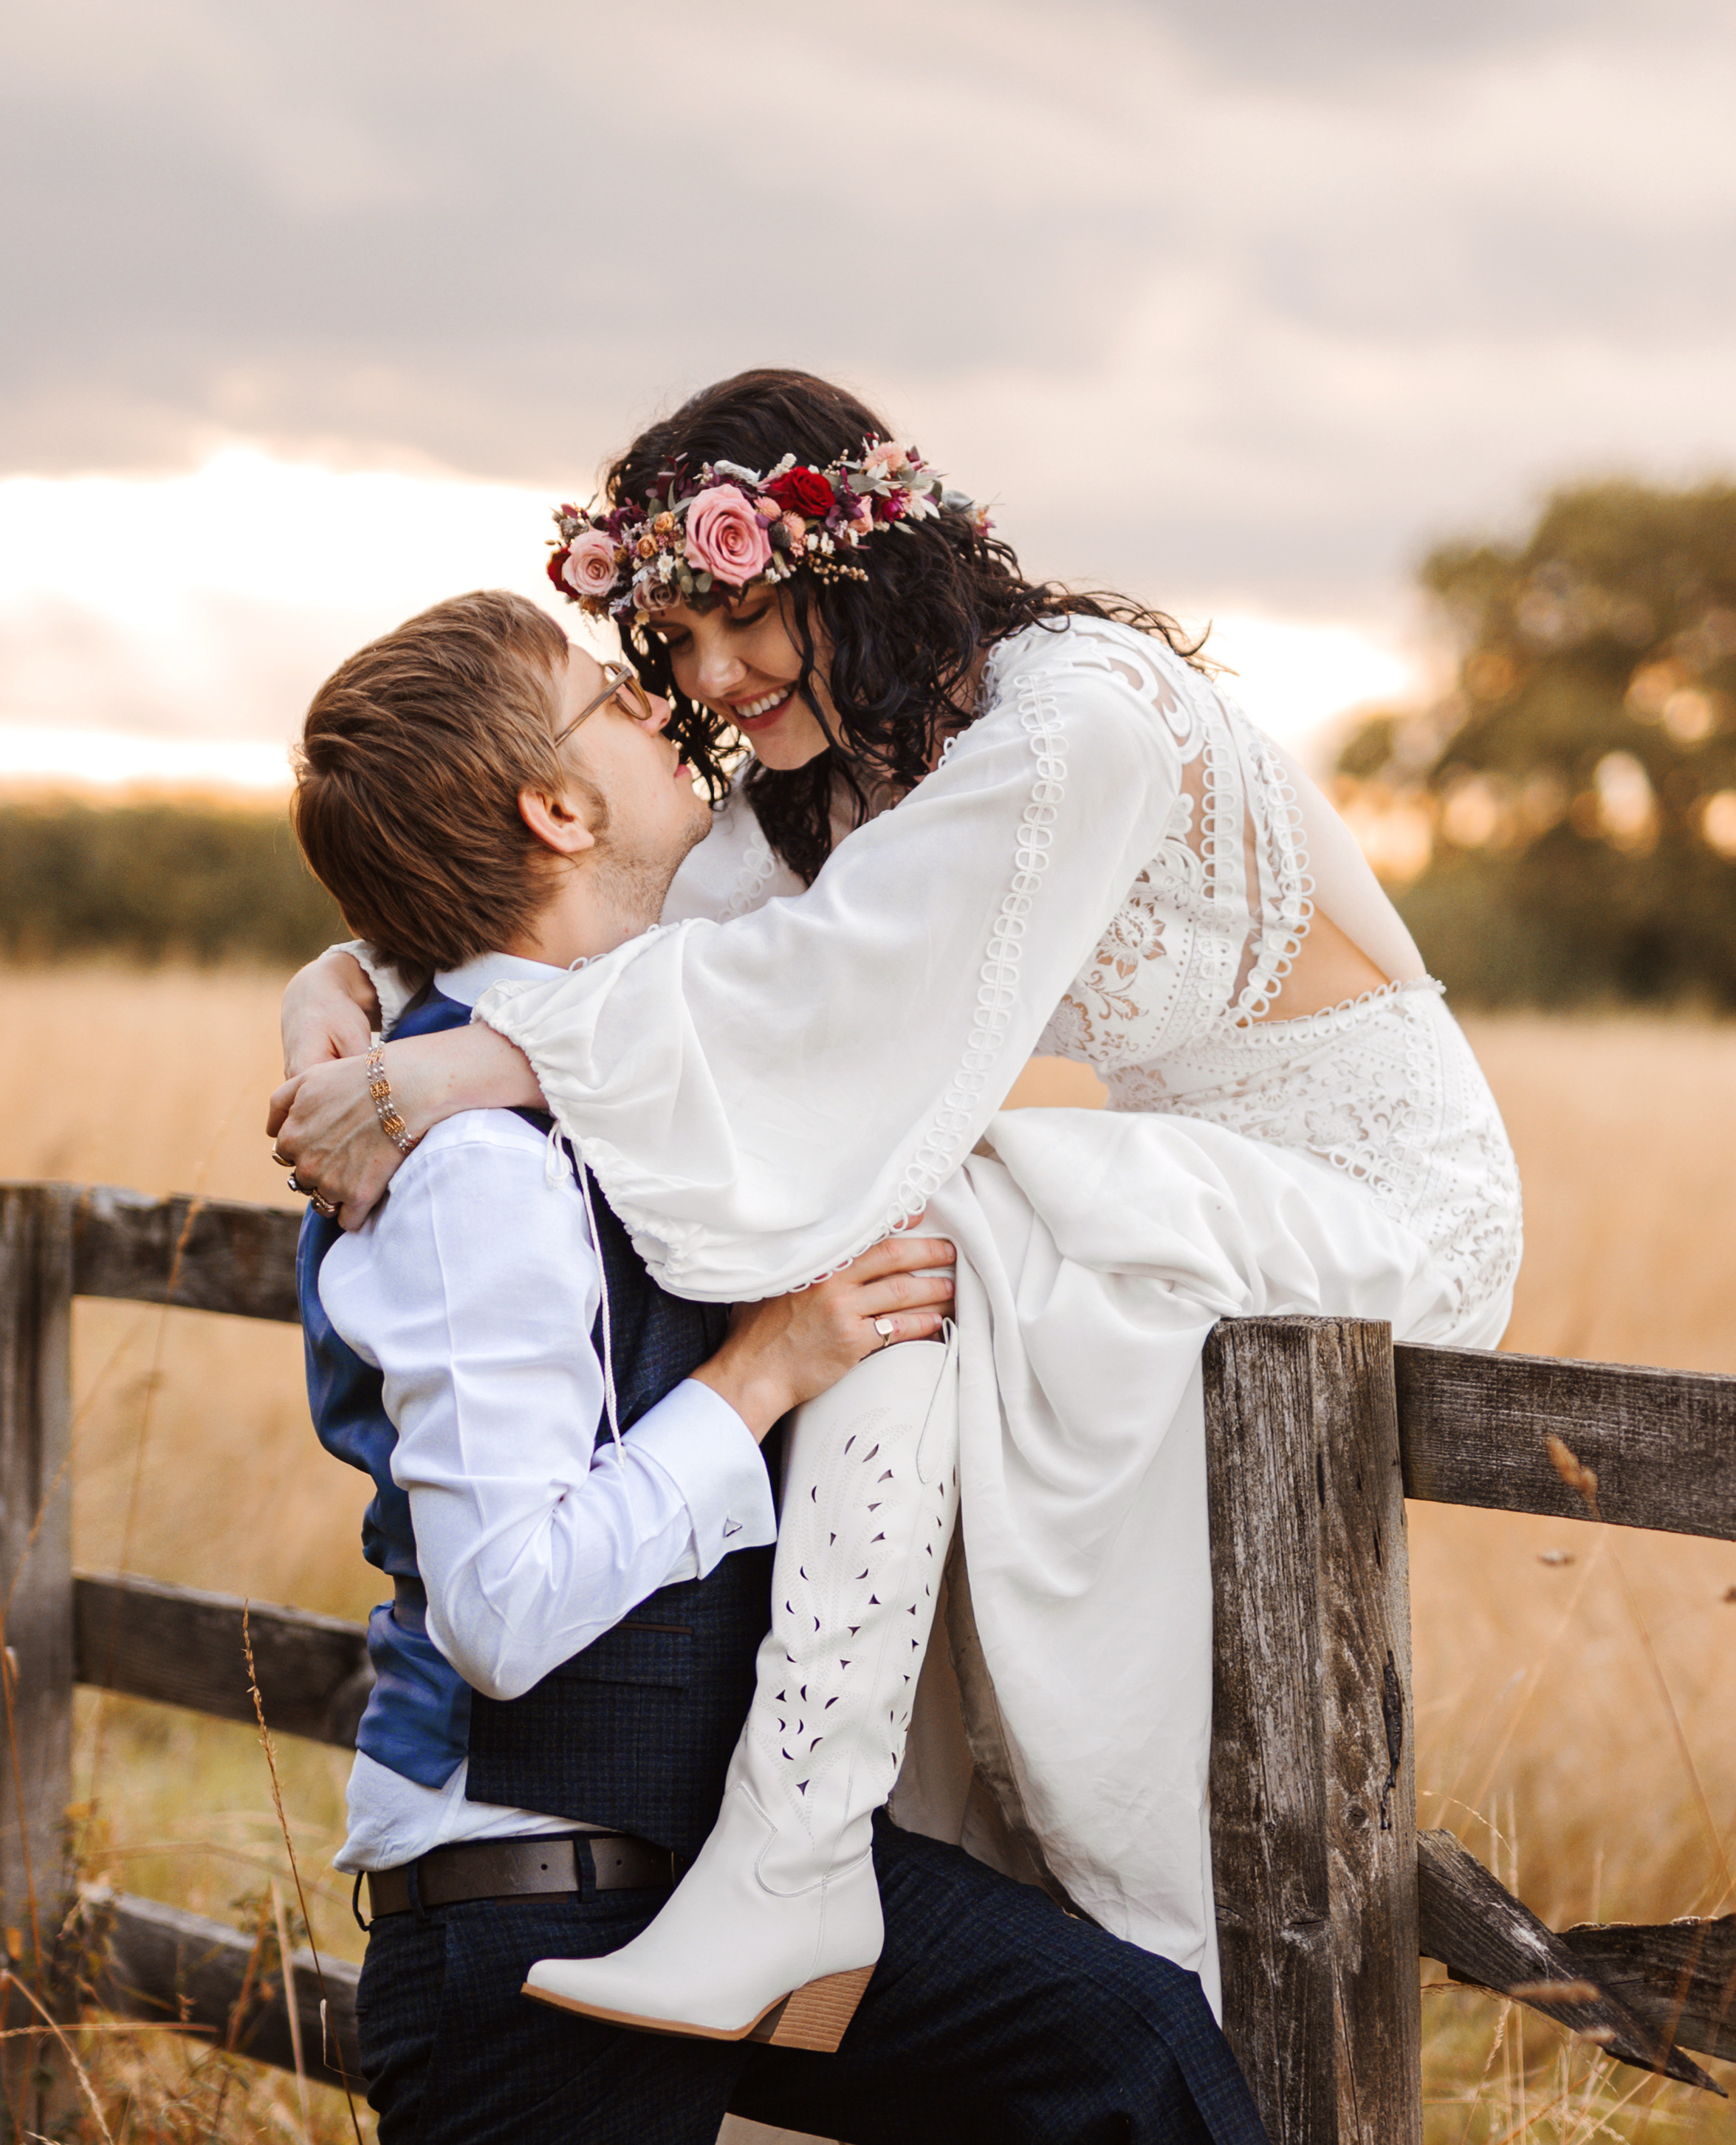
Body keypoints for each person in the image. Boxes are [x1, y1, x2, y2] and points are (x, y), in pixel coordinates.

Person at [272, 368, 1521, 2048]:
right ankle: (812, 1853)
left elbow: (812, 995)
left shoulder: (1074, 722)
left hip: (1377, 1207)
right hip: (1198, 1208)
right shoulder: (848, 768)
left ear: (853, 565)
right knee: (904, 1208)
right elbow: (596, 925)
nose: (711, 677)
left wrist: (443, 1078)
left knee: (925, 1192)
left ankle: (797, 1832)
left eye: (741, 614)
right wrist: (342, 992)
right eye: (673, 640)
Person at [289, 588, 1278, 2145]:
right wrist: (764, 1372)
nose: (658, 703)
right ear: (557, 807)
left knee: (1130, 2050)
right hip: (525, 1929)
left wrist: (327, 973)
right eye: (616, 690)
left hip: (694, 1869)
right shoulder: (477, 1166)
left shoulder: (623, 1049)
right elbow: (499, 1604)